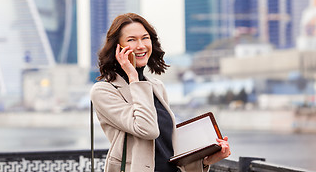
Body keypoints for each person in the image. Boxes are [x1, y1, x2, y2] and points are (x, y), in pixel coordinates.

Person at [90, 13, 231, 172]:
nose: (141, 45)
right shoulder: (104, 91)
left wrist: (205, 161)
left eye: (145, 38)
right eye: (131, 40)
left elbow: (168, 151)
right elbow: (147, 129)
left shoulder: (156, 86)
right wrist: (134, 78)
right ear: (117, 48)